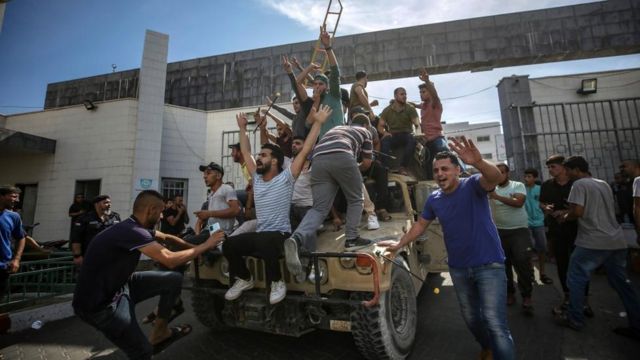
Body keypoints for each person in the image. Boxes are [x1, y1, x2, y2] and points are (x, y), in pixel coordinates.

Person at [377, 137, 513, 360]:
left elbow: (494, 178)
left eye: (445, 169)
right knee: (471, 317)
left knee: (495, 323)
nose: (440, 174)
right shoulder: (434, 199)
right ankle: (487, 346)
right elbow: (420, 226)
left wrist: (478, 162)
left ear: (457, 170)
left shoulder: (473, 185)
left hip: (489, 265)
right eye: (436, 170)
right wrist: (399, 244)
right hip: (459, 269)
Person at [72, 190, 224, 359]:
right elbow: (170, 260)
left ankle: (160, 332)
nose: (161, 217)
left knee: (173, 279)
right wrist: (205, 245)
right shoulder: (133, 231)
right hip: (101, 306)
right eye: (160, 213)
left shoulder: (135, 226)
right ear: (151, 210)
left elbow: (167, 237)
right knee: (143, 352)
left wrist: (194, 247)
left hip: (122, 285)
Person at [222, 105, 332, 305]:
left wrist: (318, 122)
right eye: (259, 155)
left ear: (274, 161)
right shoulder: (256, 178)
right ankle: (245, 278)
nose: (258, 157)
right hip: (263, 235)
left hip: (280, 236)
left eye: (263, 155)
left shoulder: (286, 178)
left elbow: (306, 149)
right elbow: (245, 151)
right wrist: (243, 129)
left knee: (265, 240)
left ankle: (277, 282)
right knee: (228, 245)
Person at [555, 156, 640, 341]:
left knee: (575, 278)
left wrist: (563, 216)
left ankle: (575, 318)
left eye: (568, 170)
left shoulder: (578, 184)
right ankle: (637, 324)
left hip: (592, 241)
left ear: (576, 170)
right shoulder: (602, 183)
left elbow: (578, 212)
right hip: (616, 240)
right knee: (623, 284)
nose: (567, 173)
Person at [284, 112, 375, 281]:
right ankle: (352, 238)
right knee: (356, 199)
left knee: (319, 208)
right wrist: (353, 172)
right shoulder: (366, 132)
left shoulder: (337, 129)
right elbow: (367, 163)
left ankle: (296, 238)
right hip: (343, 156)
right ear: (366, 126)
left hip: (318, 160)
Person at [539, 155, 592, 316]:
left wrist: (567, 212)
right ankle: (568, 298)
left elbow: (584, 208)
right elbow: (542, 202)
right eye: (548, 167)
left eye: (553, 166)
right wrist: (545, 207)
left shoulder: (577, 183)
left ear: (563, 167)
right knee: (562, 265)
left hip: (578, 230)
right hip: (557, 231)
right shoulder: (547, 185)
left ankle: (583, 301)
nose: (550, 170)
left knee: (581, 266)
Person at [489, 164, 534, 314]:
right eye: (496, 173)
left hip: (519, 231)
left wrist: (496, 197)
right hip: (499, 232)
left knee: (522, 263)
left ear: (507, 173)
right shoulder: (490, 188)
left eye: (502, 173)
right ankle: (510, 293)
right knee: (503, 265)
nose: (499, 175)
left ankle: (527, 296)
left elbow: (518, 203)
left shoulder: (517, 185)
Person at [415, 68, 448, 179]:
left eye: (423, 92)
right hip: (427, 142)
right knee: (428, 168)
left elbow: (434, 94)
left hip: (437, 139)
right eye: (420, 92)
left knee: (445, 153)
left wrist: (427, 81)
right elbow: (413, 105)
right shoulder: (423, 106)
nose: (421, 94)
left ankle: (462, 171)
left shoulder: (435, 103)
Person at [70, 195, 121, 266]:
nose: (109, 205)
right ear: (96, 204)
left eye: (110, 202)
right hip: (90, 256)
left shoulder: (115, 216)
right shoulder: (85, 218)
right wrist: (77, 256)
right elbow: (76, 238)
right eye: (106, 202)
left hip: (110, 256)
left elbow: (119, 235)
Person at [378, 87, 419, 175]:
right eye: (402, 94)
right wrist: (385, 133)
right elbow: (380, 126)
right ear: (395, 96)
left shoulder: (410, 108)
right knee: (384, 141)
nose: (404, 96)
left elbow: (417, 124)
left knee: (412, 140)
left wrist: (417, 130)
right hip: (393, 135)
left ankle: (403, 166)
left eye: (405, 94)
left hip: (406, 134)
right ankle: (385, 168)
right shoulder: (387, 110)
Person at [193, 162, 240, 236]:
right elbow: (200, 222)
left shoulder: (226, 188)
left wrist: (209, 214)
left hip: (221, 234)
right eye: (204, 174)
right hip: (210, 232)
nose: (204, 176)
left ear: (218, 176)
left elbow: (235, 210)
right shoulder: (211, 194)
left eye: (208, 173)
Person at [523, 168, 553, 285]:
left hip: (539, 223)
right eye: (525, 176)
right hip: (526, 223)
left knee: (542, 248)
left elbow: (546, 204)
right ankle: (530, 273)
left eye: (529, 176)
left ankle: (542, 274)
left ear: (535, 178)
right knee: (528, 249)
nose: (526, 178)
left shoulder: (540, 189)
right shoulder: (522, 190)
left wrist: (544, 216)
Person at [0, 186, 26, 299]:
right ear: (1, 196)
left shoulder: (14, 216)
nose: (17, 200)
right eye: (14, 196)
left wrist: (16, 259)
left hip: (2, 268)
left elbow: (21, 237)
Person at [620, 159, 640, 244]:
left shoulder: (638, 181)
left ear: (635, 166)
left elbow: (638, 207)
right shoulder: (628, 184)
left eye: (625, 166)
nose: (622, 169)